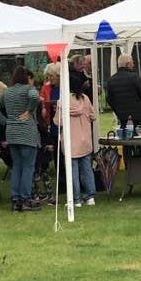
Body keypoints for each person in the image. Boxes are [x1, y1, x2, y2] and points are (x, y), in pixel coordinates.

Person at [0, 65, 43, 210]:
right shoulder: (29, 89)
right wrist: (30, 111)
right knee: (28, 167)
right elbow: (35, 97)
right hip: (27, 133)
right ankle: (25, 199)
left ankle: (15, 199)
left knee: (17, 166)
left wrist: (6, 121)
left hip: (12, 133)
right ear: (27, 77)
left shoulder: (8, 92)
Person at [57, 79, 97, 207]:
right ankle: (90, 197)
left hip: (70, 141)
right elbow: (93, 116)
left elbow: (58, 121)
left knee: (72, 171)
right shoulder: (85, 98)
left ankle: (76, 199)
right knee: (87, 170)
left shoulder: (63, 101)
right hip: (85, 140)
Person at [105, 54, 141, 132]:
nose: (133, 64)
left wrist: (117, 111)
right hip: (137, 114)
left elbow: (109, 99)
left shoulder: (111, 80)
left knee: (125, 135)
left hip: (122, 116)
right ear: (128, 64)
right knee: (140, 136)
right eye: (132, 62)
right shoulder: (134, 77)